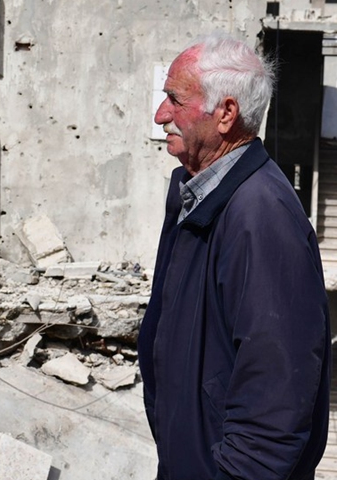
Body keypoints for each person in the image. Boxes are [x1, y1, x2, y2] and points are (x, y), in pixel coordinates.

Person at [138, 32, 331, 480]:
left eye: (174, 99)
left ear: (226, 113)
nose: (161, 114)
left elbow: (276, 398)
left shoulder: (261, 215)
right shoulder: (202, 198)